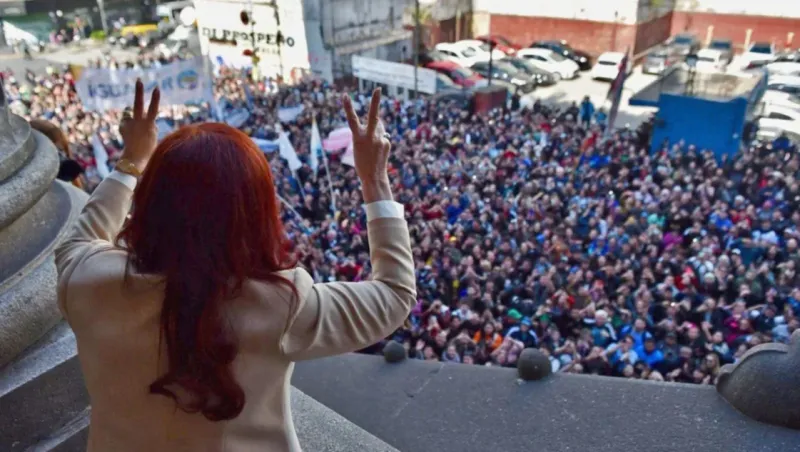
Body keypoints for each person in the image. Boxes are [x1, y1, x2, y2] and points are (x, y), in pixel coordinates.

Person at [54, 83, 416, 451]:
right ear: (255, 214)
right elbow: (394, 295)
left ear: (151, 202)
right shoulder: (281, 304)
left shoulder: (85, 278)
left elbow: (79, 239)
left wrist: (132, 160)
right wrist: (375, 180)